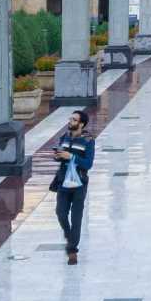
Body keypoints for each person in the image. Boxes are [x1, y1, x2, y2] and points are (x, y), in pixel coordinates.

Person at [50, 110, 95, 263]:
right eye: (70, 119)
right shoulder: (64, 137)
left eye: (74, 120)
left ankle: (72, 251)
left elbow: (88, 164)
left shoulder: (88, 141)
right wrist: (58, 156)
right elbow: (60, 156)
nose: (70, 121)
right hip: (63, 181)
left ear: (81, 123)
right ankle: (70, 238)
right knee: (60, 213)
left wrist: (72, 157)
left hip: (79, 183)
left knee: (76, 218)